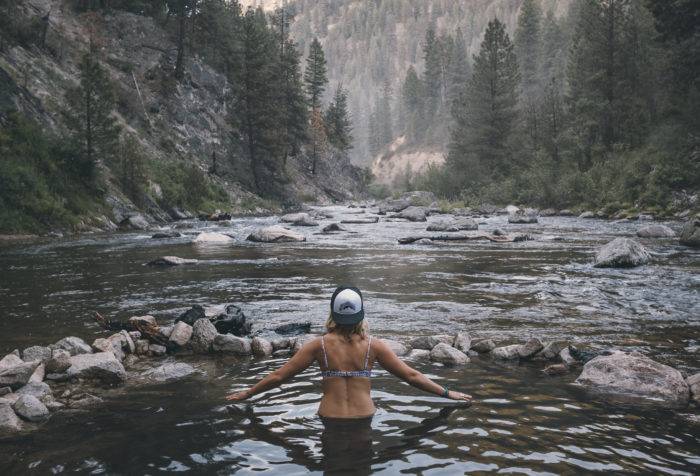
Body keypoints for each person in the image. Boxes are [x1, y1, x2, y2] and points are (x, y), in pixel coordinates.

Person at [225, 285, 472, 418]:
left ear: (332, 314)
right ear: (361, 314)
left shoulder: (317, 346)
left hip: (328, 418)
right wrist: (447, 393)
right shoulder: (374, 346)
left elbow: (280, 376)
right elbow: (411, 376)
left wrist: (248, 393)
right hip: (364, 418)